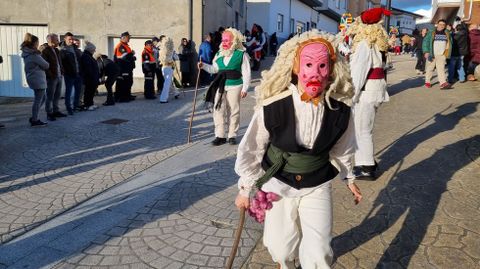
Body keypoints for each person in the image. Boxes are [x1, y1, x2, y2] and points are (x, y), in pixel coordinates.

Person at [234, 29, 362, 268]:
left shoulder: (341, 111)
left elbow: (343, 148)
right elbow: (252, 147)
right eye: (309, 64)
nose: (315, 73)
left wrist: (349, 177)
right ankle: (285, 263)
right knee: (280, 246)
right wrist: (245, 188)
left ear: (332, 70)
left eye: (322, 66)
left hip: (317, 182)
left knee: (320, 248)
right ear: (295, 66)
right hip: (278, 181)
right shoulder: (272, 106)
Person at [347, 7, 391, 180]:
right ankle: (365, 162)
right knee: (364, 129)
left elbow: (359, 72)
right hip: (374, 89)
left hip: (365, 91)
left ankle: (367, 167)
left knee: (362, 130)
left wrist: (351, 95)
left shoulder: (365, 43)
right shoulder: (377, 42)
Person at [199, 28, 251, 146]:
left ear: (234, 41)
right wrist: (203, 66)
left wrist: (245, 88)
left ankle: (232, 135)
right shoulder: (218, 54)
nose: (224, 43)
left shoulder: (241, 54)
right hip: (220, 85)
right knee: (218, 110)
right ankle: (220, 135)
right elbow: (215, 69)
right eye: (223, 40)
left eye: (227, 40)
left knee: (233, 110)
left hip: (235, 85)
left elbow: (246, 72)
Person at [21, 33, 49, 127]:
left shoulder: (27, 53)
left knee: (42, 98)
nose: (38, 44)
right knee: (38, 100)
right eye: (37, 42)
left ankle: (34, 116)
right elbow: (46, 65)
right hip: (37, 79)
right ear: (34, 44)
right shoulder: (33, 55)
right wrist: (40, 52)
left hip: (33, 78)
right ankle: (35, 120)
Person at [40, 33, 67, 121]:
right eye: (56, 40)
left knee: (57, 95)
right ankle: (49, 113)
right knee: (50, 96)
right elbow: (45, 65)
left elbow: (60, 62)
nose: (58, 41)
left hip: (59, 76)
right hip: (51, 77)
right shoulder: (45, 51)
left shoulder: (56, 50)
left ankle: (56, 111)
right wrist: (50, 75)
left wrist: (62, 71)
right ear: (51, 41)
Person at [423, 19, 453, 89]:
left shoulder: (447, 33)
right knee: (430, 68)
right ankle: (427, 81)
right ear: (437, 24)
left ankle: (442, 83)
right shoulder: (431, 32)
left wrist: (446, 53)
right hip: (432, 54)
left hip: (442, 54)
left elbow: (450, 43)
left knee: (441, 69)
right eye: (440, 24)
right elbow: (425, 42)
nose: (442, 26)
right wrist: (426, 51)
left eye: (443, 25)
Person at [60, 32, 82, 115]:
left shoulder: (75, 48)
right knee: (68, 92)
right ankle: (69, 108)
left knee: (78, 91)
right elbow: (61, 63)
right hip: (69, 74)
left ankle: (75, 107)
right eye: (69, 39)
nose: (71, 41)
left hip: (78, 73)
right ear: (65, 39)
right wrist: (65, 72)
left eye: (72, 39)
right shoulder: (62, 50)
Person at [114, 31, 136, 102]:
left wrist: (132, 56)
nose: (129, 39)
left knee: (129, 82)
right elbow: (124, 57)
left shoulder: (126, 46)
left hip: (128, 68)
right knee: (123, 83)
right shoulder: (121, 46)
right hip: (123, 68)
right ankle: (122, 97)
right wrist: (132, 54)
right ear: (123, 38)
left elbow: (128, 56)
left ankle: (127, 95)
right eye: (128, 37)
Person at [158, 36, 180, 103]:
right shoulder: (171, 51)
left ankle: (176, 93)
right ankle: (163, 98)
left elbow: (159, 59)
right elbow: (177, 58)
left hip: (163, 68)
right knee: (167, 83)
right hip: (169, 67)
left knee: (169, 82)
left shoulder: (160, 50)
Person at [80, 41, 100, 111]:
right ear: (90, 49)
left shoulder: (89, 56)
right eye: (94, 49)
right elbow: (88, 68)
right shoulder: (86, 56)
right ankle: (87, 105)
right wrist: (92, 77)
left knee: (91, 91)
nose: (94, 51)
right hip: (89, 78)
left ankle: (91, 103)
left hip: (92, 77)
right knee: (88, 92)